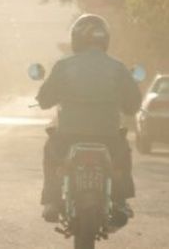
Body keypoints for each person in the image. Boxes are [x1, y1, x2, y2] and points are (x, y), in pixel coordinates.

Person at [37, 14, 141, 224]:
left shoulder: (63, 66)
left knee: (51, 151)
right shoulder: (118, 67)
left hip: (69, 134)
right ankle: (120, 201)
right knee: (121, 157)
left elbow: (45, 100)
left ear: (76, 39)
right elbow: (133, 105)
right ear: (105, 39)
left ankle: (52, 201)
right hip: (108, 135)